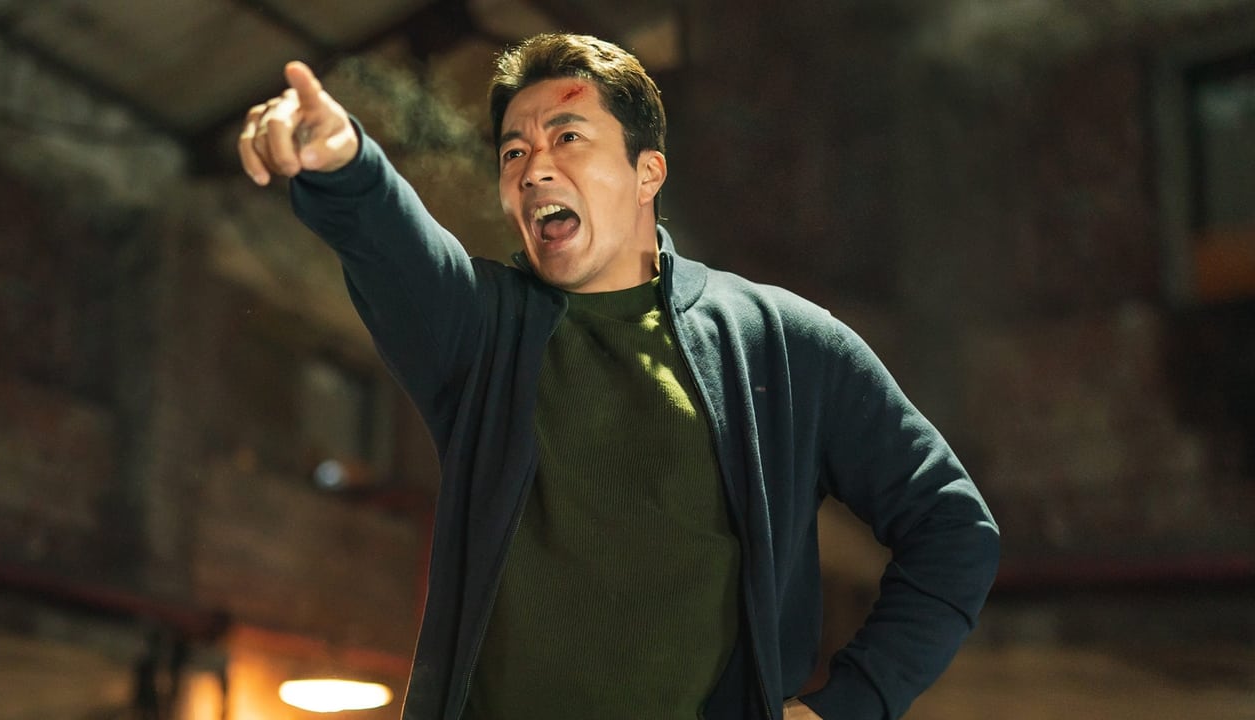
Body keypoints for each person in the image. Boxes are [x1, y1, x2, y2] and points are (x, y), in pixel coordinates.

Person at [237, 33, 998, 720]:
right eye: (512, 152)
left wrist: (851, 705)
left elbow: (953, 529)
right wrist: (344, 161)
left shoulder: (780, 342)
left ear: (647, 173)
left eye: (567, 137)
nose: (535, 168)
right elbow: (399, 248)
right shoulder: (482, 332)